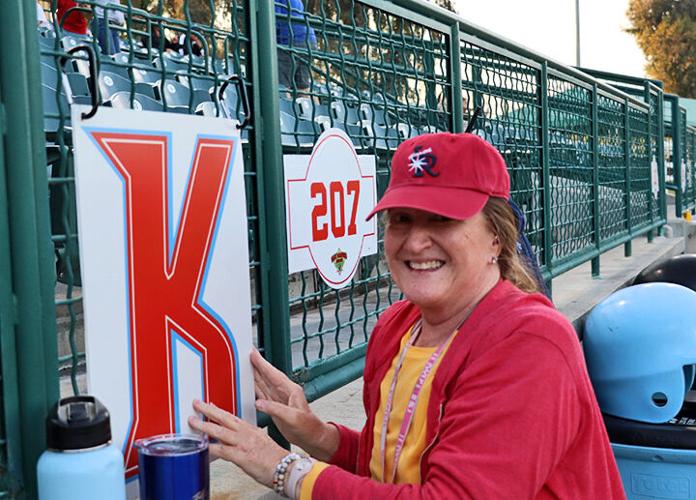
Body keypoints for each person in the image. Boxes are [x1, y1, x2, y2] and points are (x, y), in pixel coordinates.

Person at [189, 133, 626, 499]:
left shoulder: (530, 340)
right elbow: (397, 467)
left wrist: (282, 467)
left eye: (441, 219)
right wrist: (318, 436)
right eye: (401, 219)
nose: (415, 242)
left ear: (496, 236)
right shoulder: (398, 325)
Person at [275, 0, 316, 91]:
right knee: (303, 87)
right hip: (309, 39)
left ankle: (283, 104)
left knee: (281, 86)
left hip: (291, 40)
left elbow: (274, 21)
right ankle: (309, 105)